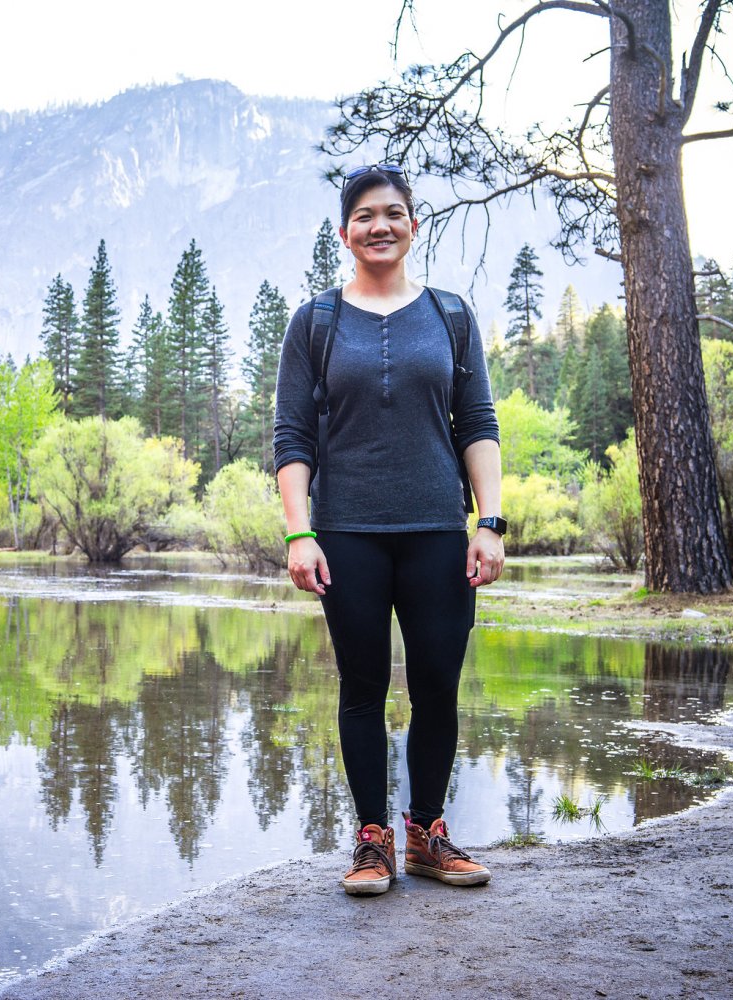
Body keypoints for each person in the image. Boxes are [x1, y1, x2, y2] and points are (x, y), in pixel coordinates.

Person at [273, 165, 505, 896]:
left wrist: (488, 520)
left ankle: (428, 835)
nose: (380, 225)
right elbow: (291, 437)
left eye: (394, 213)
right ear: (345, 234)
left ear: (413, 225)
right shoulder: (316, 322)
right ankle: (372, 841)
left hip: (439, 529)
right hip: (347, 535)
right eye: (366, 216)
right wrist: (299, 534)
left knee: (438, 684)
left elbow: (478, 424)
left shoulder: (450, 315)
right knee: (362, 686)